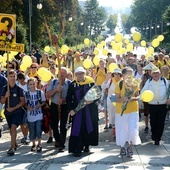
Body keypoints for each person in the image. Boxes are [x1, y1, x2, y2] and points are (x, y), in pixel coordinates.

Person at [66, 66, 99, 157]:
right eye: (78, 74)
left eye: (81, 73)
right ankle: (77, 148)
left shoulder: (90, 83)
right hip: (78, 111)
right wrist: (71, 109)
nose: (79, 75)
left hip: (89, 110)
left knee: (88, 127)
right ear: (75, 75)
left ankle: (87, 145)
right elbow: (68, 99)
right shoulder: (73, 85)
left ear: (84, 74)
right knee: (77, 129)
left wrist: (92, 100)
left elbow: (98, 95)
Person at [115, 67, 141, 158]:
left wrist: (132, 99)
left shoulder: (135, 84)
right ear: (124, 75)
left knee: (132, 128)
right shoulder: (120, 84)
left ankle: (130, 147)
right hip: (121, 111)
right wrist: (124, 99)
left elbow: (138, 96)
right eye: (128, 74)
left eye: (131, 73)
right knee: (121, 129)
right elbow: (116, 99)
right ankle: (122, 147)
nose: (130, 76)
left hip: (133, 110)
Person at [140, 67, 169, 145]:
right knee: (153, 121)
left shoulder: (165, 81)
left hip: (162, 105)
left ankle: (158, 138)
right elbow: (143, 92)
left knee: (161, 122)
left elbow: (169, 91)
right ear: (151, 74)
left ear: (160, 73)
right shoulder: (149, 82)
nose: (156, 74)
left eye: (157, 73)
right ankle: (154, 135)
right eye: (154, 73)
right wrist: (140, 99)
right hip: (152, 105)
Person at [46, 67, 71, 152]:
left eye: (64, 73)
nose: (62, 75)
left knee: (63, 126)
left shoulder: (69, 84)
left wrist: (64, 100)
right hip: (54, 105)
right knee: (54, 125)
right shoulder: (53, 82)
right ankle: (57, 139)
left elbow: (71, 97)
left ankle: (62, 144)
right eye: (61, 73)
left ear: (67, 75)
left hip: (64, 106)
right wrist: (56, 89)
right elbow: (48, 94)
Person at [1, 70, 25, 156]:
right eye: (10, 76)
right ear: (8, 77)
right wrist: (5, 96)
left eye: (14, 76)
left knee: (13, 128)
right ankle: (14, 143)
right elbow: (2, 101)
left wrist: (13, 108)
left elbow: (22, 102)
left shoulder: (19, 89)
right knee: (11, 129)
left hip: (17, 112)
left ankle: (11, 148)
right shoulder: (4, 88)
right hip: (8, 113)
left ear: (16, 78)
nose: (12, 78)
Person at [25, 78, 46, 152]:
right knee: (32, 129)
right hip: (30, 115)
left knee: (38, 129)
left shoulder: (40, 92)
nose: (32, 85)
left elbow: (44, 101)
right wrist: (28, 107)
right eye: (30, 84)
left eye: (33, 84)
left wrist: (40, 105)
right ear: (28, 85)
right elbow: (25, 104)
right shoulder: (27, 93)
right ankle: (33, 144)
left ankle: (39, 144)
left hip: (38, 114)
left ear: (36, 83)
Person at [17, 72, 30, 144]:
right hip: (20, 106)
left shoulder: (28, 85)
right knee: (21, 122)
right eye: (21, 80)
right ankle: (25, 136)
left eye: (23, 80)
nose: (22, 81)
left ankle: (27, 136)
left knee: (26, 122)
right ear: (18, 80)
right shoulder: (17, 86)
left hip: (27, 106)